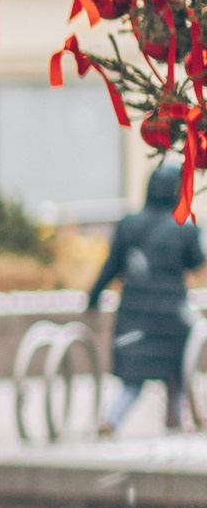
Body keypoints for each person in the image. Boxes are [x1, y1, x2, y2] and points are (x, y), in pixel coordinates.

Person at [91, 159, 203, 435]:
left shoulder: (128, 225)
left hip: (134, 314)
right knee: (176, 372)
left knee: (133, 380)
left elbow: (111, 266)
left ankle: (110, 420)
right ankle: (175, 421)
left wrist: (93, 297)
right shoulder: (184, 227)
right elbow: (196, 262)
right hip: (172, 314)